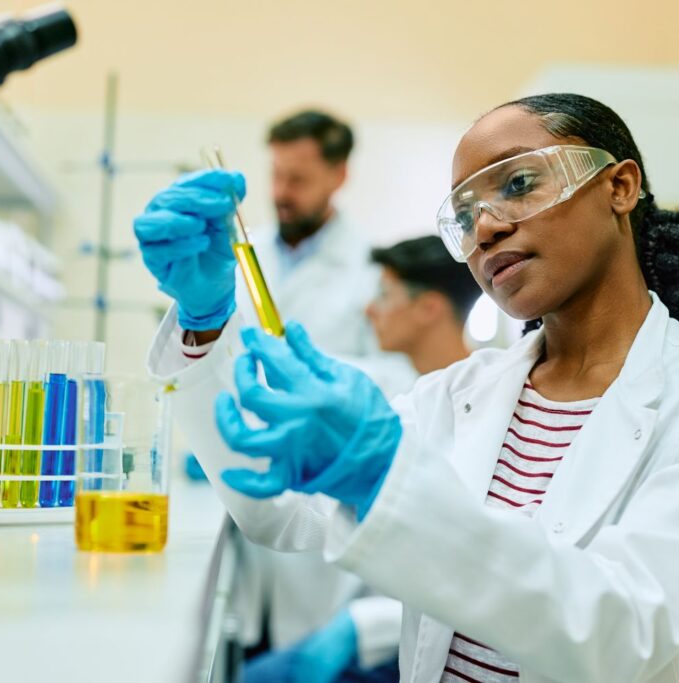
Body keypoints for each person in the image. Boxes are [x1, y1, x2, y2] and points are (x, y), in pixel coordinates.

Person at [138, 93, 679, 682]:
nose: (486, 229)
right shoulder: (460, 394)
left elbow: (619, 633)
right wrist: (205, 326)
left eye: (519, 182)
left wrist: (387, 477)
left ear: (619, 186)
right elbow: (274, 505)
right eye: (467, 213)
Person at [136, 109, 412, 680]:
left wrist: (300, 385)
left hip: (320, 549)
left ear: (339, 176)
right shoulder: (242, 250)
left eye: (299, 179)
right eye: (277, 175)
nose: (282, 193)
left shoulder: (369, 272)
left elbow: (390, 378)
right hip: (250, 512)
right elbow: (209, 347)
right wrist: (206, 325)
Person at [365, 236, 481, 375]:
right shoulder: (408, 390)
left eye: (384, 294)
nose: (368, 310)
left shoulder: (491, 389)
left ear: (428, 308)